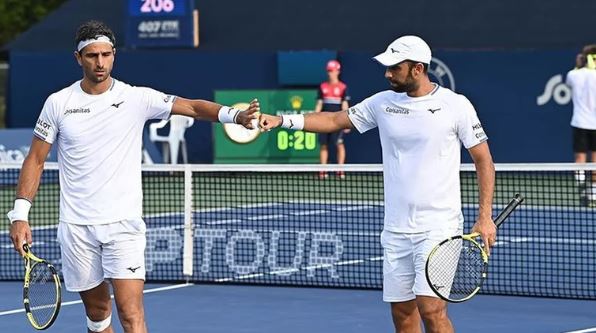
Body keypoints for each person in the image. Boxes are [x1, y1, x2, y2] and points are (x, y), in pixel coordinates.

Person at [6, 20, 259, 333]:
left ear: (114, 55)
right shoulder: (58, 103)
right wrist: (20, 215)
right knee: (98, 317)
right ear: (78, 58)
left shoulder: (137, 98)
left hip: (124, 225)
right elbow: (35, 159)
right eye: (92, 56)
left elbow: (192, 107)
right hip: (76, 228)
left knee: (131, 314)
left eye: (106, 54)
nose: (100, 62)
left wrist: (235, 115)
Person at [259, 35, 496, 333]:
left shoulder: (455, 105)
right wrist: (282, 120)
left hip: (439, 226)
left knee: (432, 310)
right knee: (402, 313)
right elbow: (334, 122)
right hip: (395, 228)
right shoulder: (382, 103)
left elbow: (483, 160)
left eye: (395, 68)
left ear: (418, 69)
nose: (387, 73)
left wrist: (484, 215)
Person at [566, 45, 596, 205]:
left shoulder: (573, 74)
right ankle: (593, 193)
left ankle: (582, 190)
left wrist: (579, 65)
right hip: (584, 122)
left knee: (580, 159)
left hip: (579, 123)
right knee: (594, 161)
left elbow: (570, 82)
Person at [315, 60, 351, 179]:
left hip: (338, 122)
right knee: (324, 145)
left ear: (338, 71)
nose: (330, 73)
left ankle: (340, 170)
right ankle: (323, 171)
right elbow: (319, 104)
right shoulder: (322, 87)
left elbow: (345, 105)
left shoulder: (343, 87)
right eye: (329, 71)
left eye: (332, 71)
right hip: (324, 121)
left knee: (339, 144)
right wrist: (315, 118)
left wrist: (347, 122)